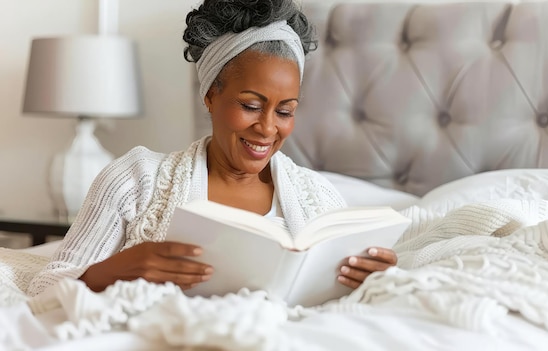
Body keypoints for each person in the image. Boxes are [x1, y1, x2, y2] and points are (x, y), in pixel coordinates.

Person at [26, 0, 398, 297]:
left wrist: (377, 282)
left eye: (285, 111)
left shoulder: (319, 199)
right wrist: (109, 272)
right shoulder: (136, 179)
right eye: (250, 105)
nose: (268, 128)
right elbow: (43, 289)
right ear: (210, 95)